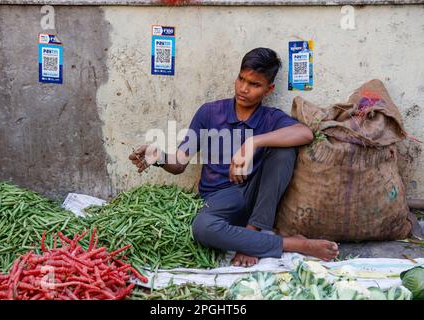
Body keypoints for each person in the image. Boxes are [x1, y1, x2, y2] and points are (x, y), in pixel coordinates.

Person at [129, 48, 339, 267]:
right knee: (202, 228)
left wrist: (252, 143)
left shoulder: (270, 118)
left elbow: (305, 134)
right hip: (220, 199)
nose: (244, 89)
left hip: (258, 201)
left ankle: (252, 233)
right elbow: (180, 162)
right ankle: (288, 244)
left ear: (269, 89)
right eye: (241, 79)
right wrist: (160, 157)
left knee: (284, 149)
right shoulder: (209, 113)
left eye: (254, 84)